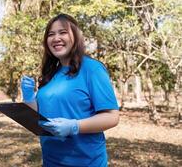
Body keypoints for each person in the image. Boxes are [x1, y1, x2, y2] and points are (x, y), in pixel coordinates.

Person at [21, 13, 119, 166]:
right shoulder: (50, 74)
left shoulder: (92, 69)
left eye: (63, 32)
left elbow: (112, 117)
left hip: (86, 162)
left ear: (76, 37)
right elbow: (41, 116)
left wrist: (74, 126)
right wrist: (28, 99)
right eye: (51, 34)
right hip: (51, 161)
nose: (56, 38)